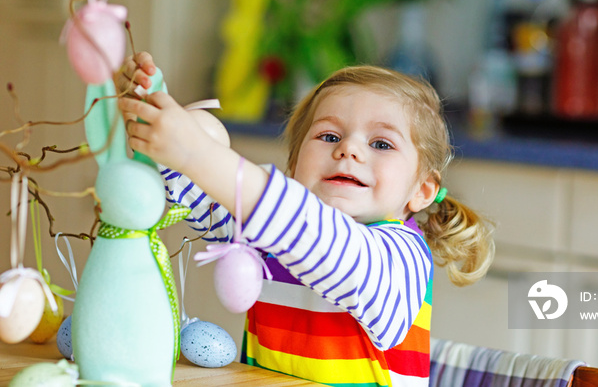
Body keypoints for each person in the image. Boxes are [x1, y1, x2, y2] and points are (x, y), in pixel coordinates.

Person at [116, 53, 495, 387]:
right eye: (329, 136)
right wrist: (149, 110)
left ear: (422, 191)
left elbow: (326, 244)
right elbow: (197, 187)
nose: (348, 149)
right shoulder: (263, 233)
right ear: (294, 167)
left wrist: (197, 153)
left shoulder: (401, 258)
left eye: (381, 143)